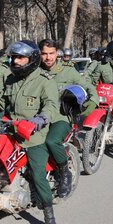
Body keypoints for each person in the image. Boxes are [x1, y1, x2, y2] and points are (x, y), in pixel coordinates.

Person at [0, 40, 60, 223]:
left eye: (20, 58)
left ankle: (48, 213)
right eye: (14, 57)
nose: (16, 61)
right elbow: (0, 103)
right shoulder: (10, 80)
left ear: (31, 58)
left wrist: (40, 119)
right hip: (12, 131)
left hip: (34, 136)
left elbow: (51, 105)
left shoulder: (44, 81)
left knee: (37, 174)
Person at [39, 39, 98, 195]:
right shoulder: (35, 71)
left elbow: (87, 86)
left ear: (57, 53)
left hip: (61, 116)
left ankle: (65, 173)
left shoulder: (68, 71)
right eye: (44, 54)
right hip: (40, 115)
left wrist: (92, 101)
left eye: (51, 53)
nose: (48, 58)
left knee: (51, 140)